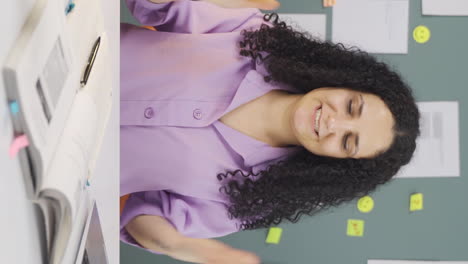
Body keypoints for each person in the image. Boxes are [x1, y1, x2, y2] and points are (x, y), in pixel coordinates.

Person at [120, 0, 420, 263]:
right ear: (346, 81)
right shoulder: (256, 38)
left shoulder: (251, 198)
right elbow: (157, 5)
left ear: (338, 162)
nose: (334, 123)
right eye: (352, 106)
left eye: (347, 141)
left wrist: (183, 247)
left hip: (78, 161)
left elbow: (142, 219)